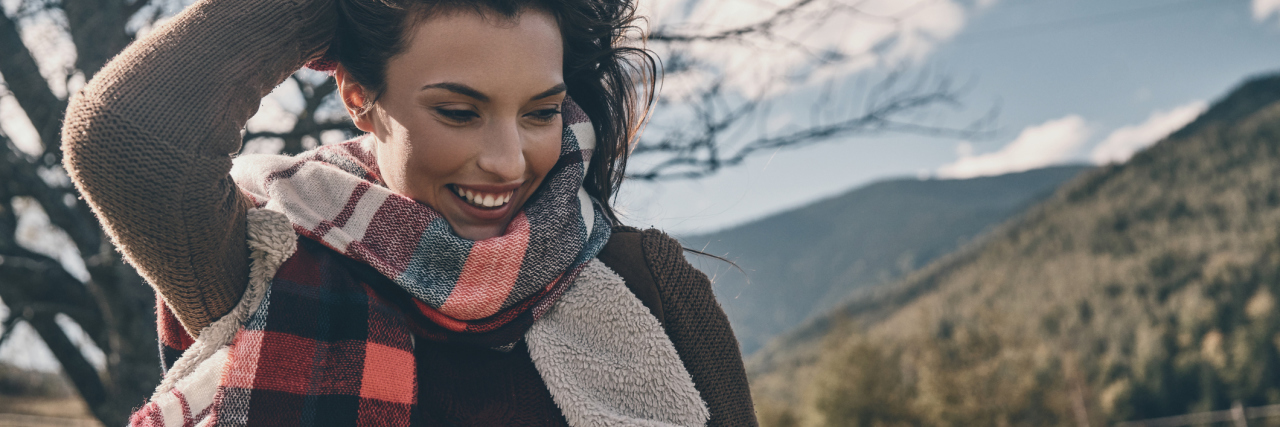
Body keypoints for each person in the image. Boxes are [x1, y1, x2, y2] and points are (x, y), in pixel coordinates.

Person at [61, 0, 757, 423]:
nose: (508, 161)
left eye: (541, 112)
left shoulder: (645, 280)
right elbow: (127, 138)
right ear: (358, 96)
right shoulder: (265, 260)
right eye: (459, 111)